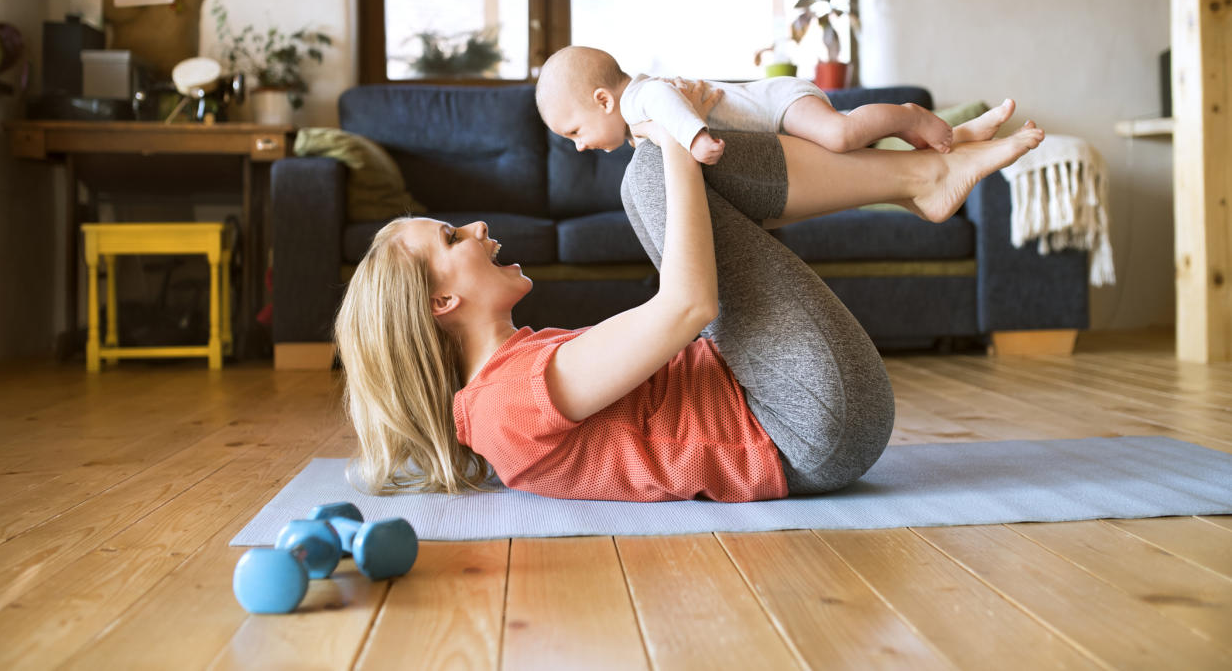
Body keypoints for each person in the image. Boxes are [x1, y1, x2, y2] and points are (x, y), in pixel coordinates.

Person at [335, 82, 1044, 502]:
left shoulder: (511, 379)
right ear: (440, 305)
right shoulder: (501, 405)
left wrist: (681, 139)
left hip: (798, 408)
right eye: (454, 239)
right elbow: (688, 307)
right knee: (651, 172)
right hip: (803, 424)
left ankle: (920, 176)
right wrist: (676, 135)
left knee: (661, 170)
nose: (478, 225)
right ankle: (918, 178)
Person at [534, 45, 1017, 164]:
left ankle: (909, 115)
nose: (578, 147)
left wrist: (695, 137)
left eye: (574, 132)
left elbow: (665, 99)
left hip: (778, 104)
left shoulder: (640, 97)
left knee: (841, 135)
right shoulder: (636, 125)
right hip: (774, 122)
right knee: (853, 158)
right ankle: (959, 137)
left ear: (603, 100)